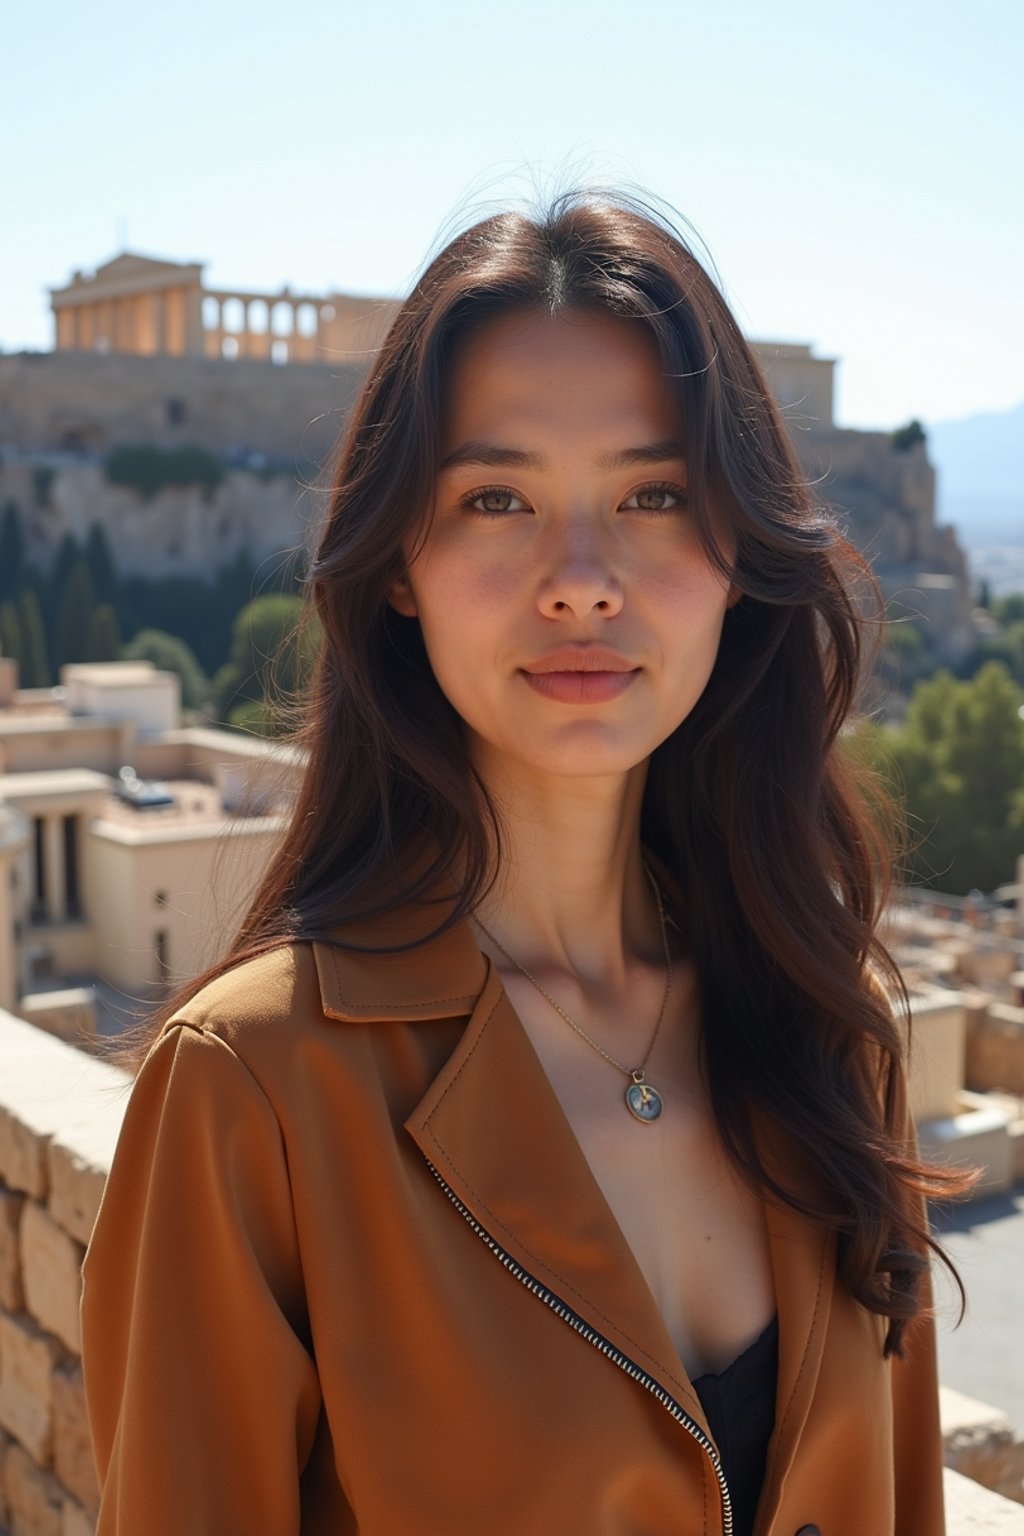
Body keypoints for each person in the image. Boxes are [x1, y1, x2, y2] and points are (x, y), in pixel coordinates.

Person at [80, 190, 974, 1535]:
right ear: (399, 566)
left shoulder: (828, 1027)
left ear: (737, 559)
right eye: (496, 497)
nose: (581, 578)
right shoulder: (252, 1096)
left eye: (655, 494)